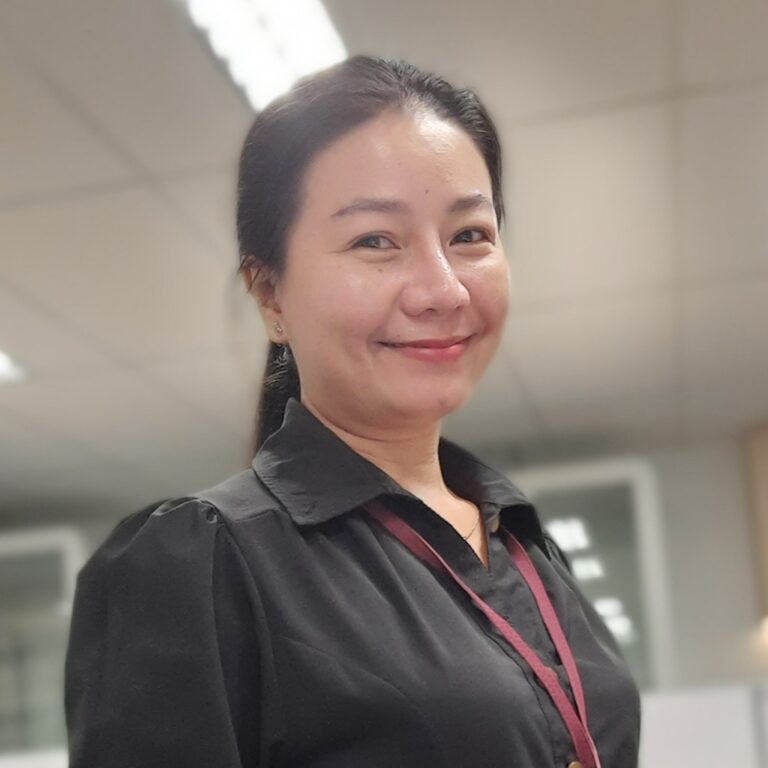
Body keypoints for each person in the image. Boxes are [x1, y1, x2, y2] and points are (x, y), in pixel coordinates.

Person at [64, 55, 641, 767]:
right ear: (270, 294)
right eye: (376, 241)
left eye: (469, 235)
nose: (444, 290)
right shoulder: (200, 565)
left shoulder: (525, 547)